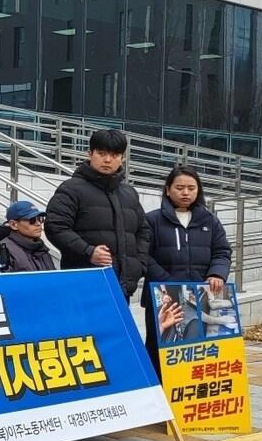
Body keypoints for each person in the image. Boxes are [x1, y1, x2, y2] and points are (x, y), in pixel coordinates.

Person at [45, 128, 151, 299]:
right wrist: (88, 251)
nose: (108, 160)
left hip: (122, 287)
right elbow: (55, 227)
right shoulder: (71, 189)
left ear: (122, 158)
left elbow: (143, 231)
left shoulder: (129, 193)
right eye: (101, 153)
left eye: (115, 155)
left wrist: (138, 265)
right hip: (83, 285)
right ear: (90, 153)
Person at [142, 166, 232, 368]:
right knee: (161, 349)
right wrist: (166, 282)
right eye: (180, 187)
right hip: (164, 299)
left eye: (191, 188)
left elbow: (222, 251)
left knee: (198, 350)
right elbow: (142, 255)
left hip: (201, 297)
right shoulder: (152, 220)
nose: (186, 192)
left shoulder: (209, 221)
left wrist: (217, 273)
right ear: (167, 190)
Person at [0, 200, 58, 273]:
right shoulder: (0, 253)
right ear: (14, 225)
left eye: (40, 219)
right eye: (32, 220)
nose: (38, 224)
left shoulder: (41, 248)